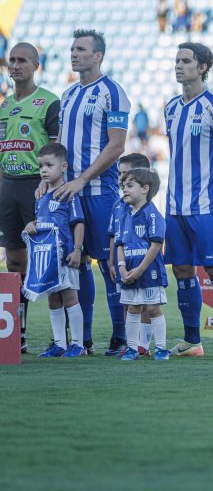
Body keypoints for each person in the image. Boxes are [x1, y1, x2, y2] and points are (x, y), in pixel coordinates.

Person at [164, 42, 213, 359]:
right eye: (177, 60)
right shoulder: (170, 108)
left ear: (202, 68)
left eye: (186, 61)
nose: (179, 65)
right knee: (182, 270)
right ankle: (192, 341)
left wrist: (211, 184)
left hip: (205, 205)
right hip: (173, 205)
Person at [55, 29, 129, 356]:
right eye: (72, 48)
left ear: (97, 55)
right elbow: (59, 145)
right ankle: (81, 340)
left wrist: (82, 179)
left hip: (99, 190)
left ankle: (120, 336)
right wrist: (53, 180)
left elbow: (116, 145)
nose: (74, 54)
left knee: (108, 263)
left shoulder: (113, 92)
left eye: (81, 49)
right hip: (69, 191)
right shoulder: (68, 95)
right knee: (76, 263)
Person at [0, 42, 60, 353]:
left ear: (36, 65)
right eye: (12, 60)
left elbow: (55, 150)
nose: (15, 65)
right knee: (13, 261)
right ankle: (17, 335)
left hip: (37, 187)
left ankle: (61, 338)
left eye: (22, 60)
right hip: (9, 187)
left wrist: (49, 187)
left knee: (46, 262)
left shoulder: (49, 103)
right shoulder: (5, 106)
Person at [22, 143, 85, 358]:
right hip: (47, 259)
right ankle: (60, 344)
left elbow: (78, 223)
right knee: (53, 299)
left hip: (65, 256)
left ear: (64, 166)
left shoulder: (69, 193)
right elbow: (42, 223)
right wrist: (31, 225)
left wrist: (77, 249)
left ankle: (77, 344)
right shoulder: (40, 197)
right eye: (41, 166)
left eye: (49, 165)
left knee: (70, 297)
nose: (44, 170)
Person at [115, 168, 170, 362]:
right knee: (132, 308)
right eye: (123, 187)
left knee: (153, 309)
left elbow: (156, 245)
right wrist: (122, 267)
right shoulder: (124, 215)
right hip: (129, 271)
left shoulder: (152, 215)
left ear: (145, 188)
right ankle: (132, 348)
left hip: (149, 273)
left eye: (130, 186)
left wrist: (139, 270)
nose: (125, 190)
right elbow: (119, 244)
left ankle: (162, 348)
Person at [107, 153, 152, 355]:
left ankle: (145, 344)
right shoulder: (118, 206)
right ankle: (132, 343)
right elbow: (114, 237)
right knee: (127, 302)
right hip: (123, 262)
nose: (121, 180)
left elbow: (156, 240)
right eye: (119, 174)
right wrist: (112, 263)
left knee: (147, 305)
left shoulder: (148, 208)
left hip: (144, 262)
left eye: (126, 175)